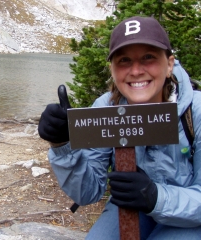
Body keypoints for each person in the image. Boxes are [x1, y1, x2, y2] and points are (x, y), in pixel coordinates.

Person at [38, 16, 201, 239]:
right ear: (112, 70)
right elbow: (87, 192)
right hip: (128, 206)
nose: (136, 71)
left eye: (148, 57)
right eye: (124, 60)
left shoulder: (196, 110)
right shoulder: (106, 107)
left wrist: (155, 197)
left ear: (170, 63)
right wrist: (62, 144)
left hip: (190, 215)